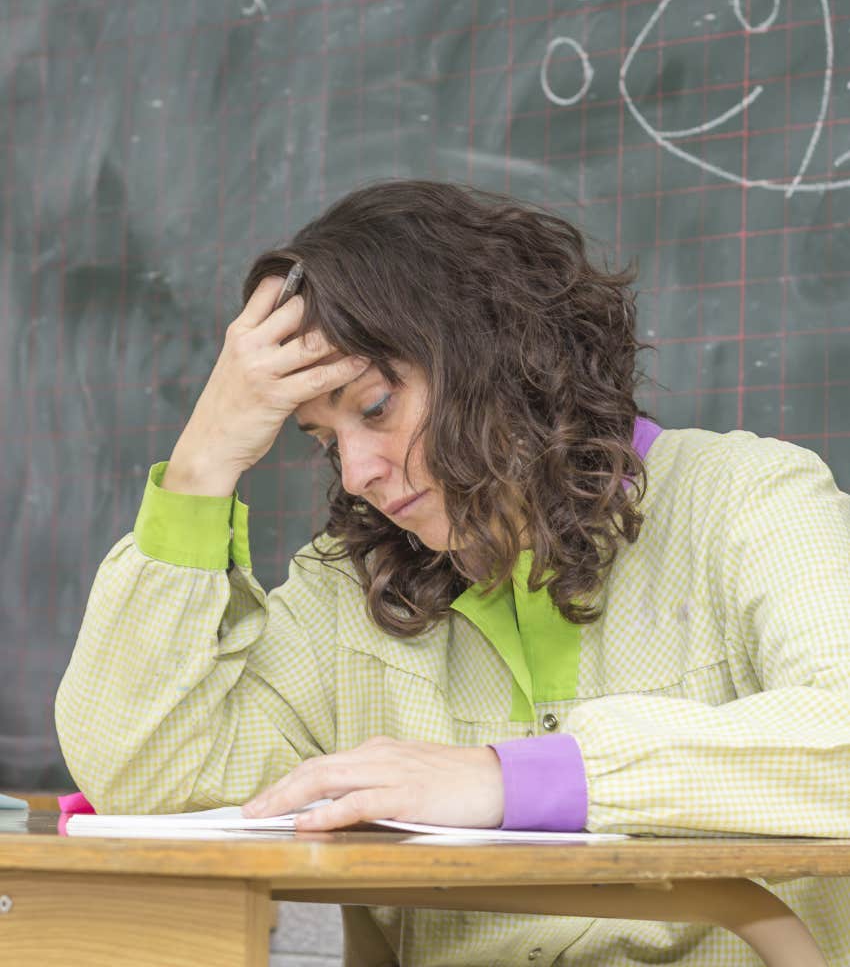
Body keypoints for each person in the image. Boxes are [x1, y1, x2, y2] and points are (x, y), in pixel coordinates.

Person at [56, 179, 850, 966]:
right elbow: (147, 777)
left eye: (373, 409)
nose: (358, 472)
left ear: (495, 351)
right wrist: (203, 463)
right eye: (325, 438)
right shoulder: (352, 589)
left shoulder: (748, 498)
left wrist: (508, 780)